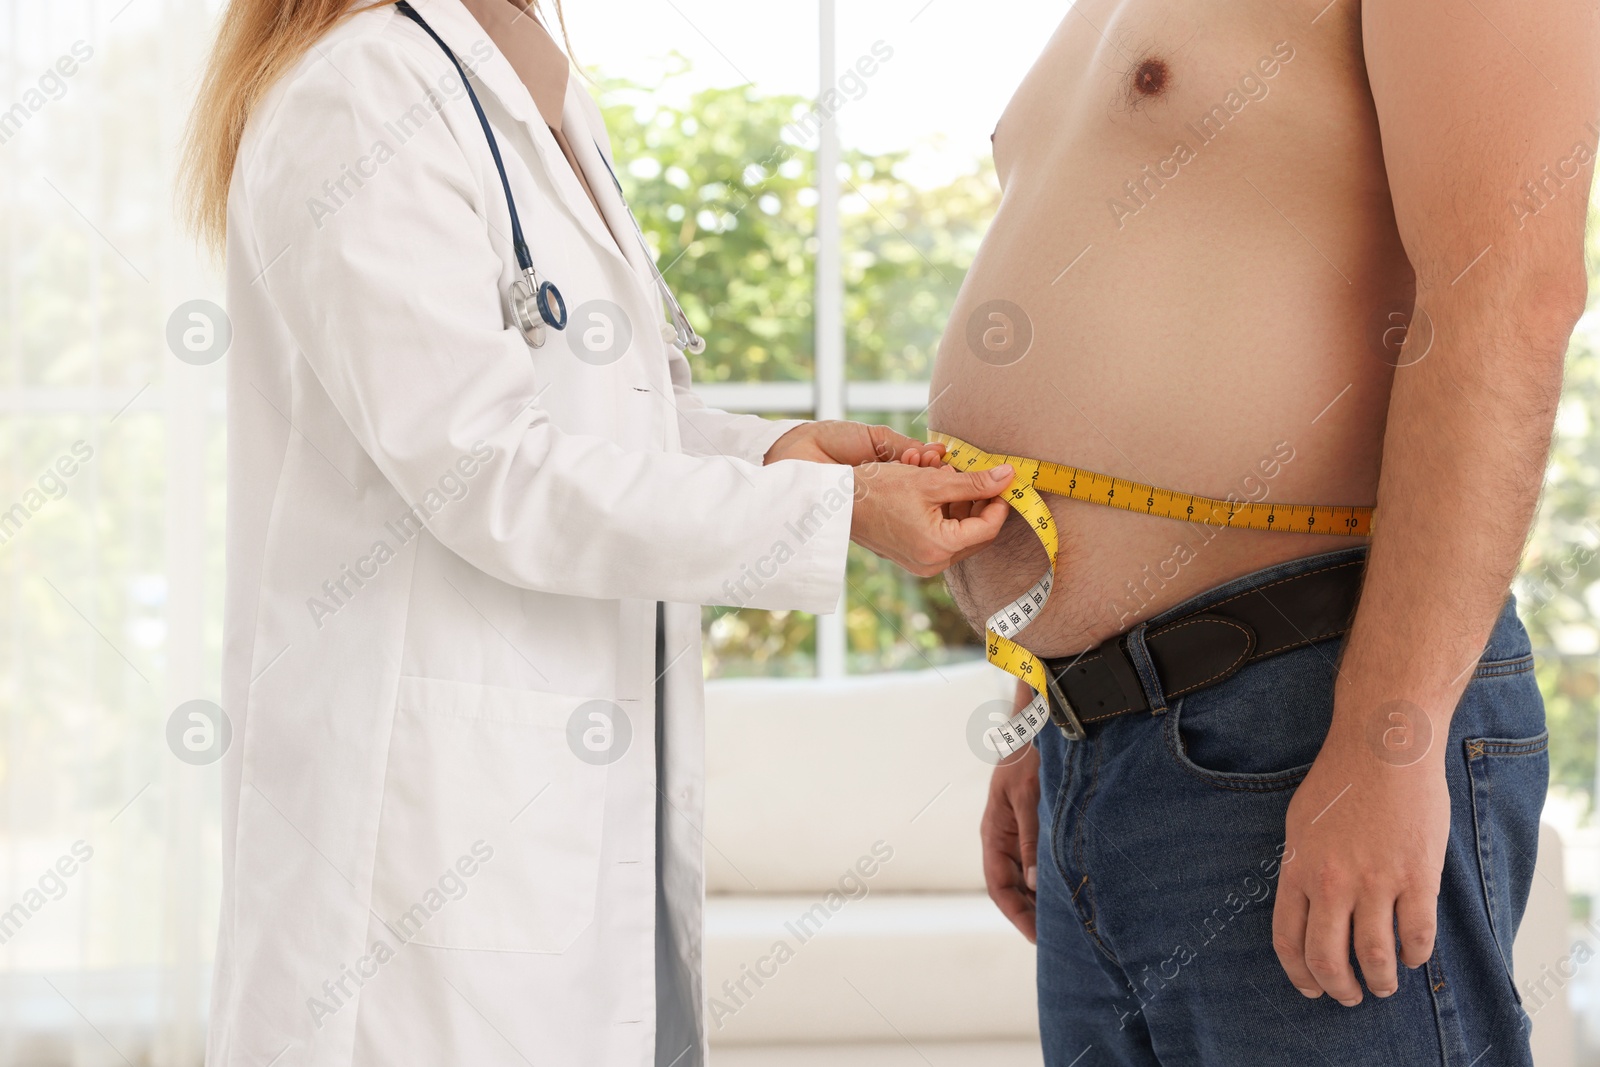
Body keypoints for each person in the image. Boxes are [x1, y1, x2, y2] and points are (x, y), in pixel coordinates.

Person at [178, 1, 1013, 1064]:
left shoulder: (537, 86)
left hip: (573, 810)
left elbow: (602, 417)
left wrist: (774, 458)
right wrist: (834, 515)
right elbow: (482, 466)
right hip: (426, 831)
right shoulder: (363, 93)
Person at [927, 0, 1596, 1063]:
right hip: (1097, 735)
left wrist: (1390, 738)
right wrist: (1051, 697)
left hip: (1305, 712)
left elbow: (1505, 296)